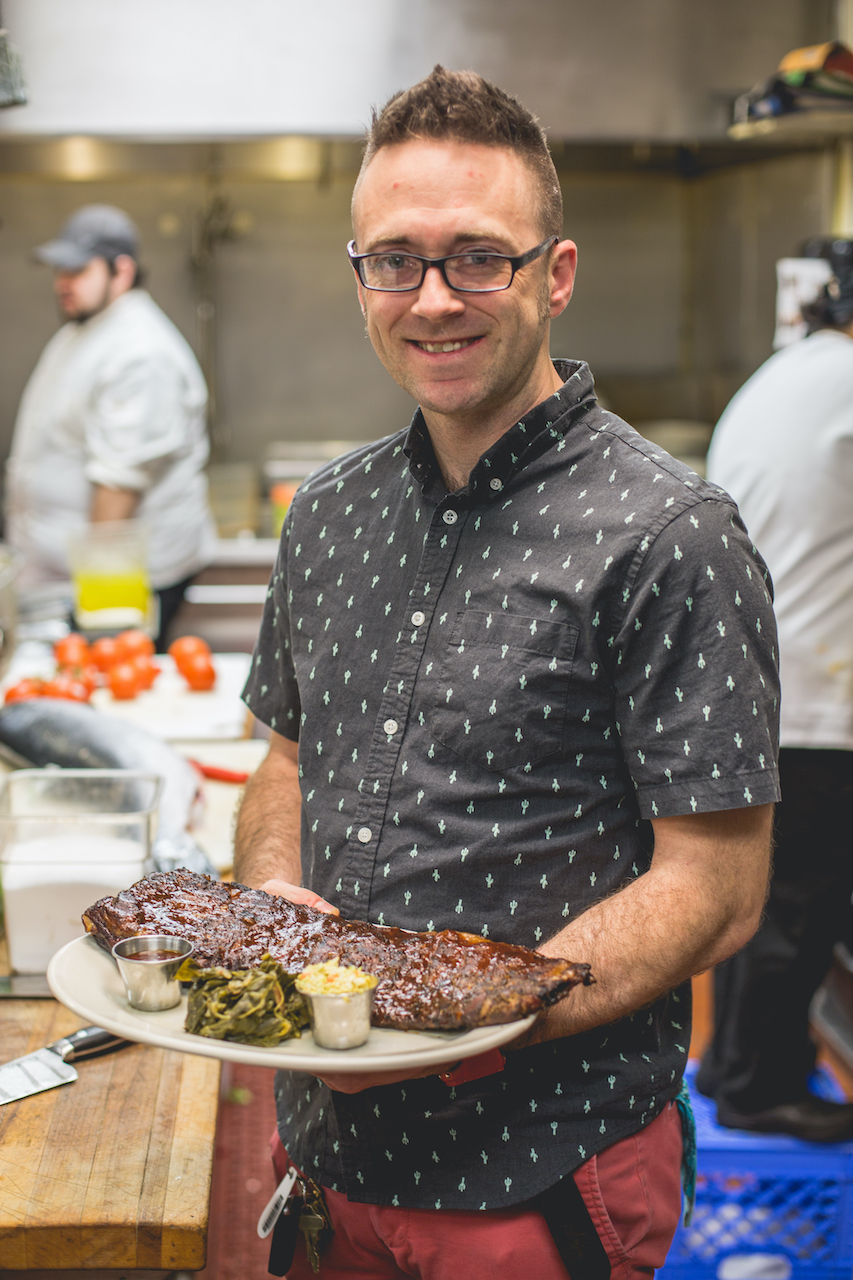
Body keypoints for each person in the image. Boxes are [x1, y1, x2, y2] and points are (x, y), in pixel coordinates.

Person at [236, 67, 780, 1280]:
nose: (433, 299)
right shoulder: (329, 513)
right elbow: (286, 757)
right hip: (325, 1156)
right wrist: (275, 903)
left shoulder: (670, 533)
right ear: (361, 276)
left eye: (477, 257)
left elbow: (720, 882)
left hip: (535, 1171)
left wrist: (459, 1008)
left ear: (557, 273)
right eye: (395, 260)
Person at [696, 241, 853, 1143]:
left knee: (760, 896)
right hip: (815, 691)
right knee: (797, 901)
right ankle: (758, 1090)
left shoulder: (788, 373)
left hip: (758, 678)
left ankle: (732, 1068)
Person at [6, 204, 217, 648]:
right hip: (59, 582)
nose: (63, 282)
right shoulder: (89, 328)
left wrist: (98, 617)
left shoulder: (140, 353)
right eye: (59, 270)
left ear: (121, 272)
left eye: (78, 270)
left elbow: (118, 489)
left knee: (115, 690)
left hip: (114, 586)